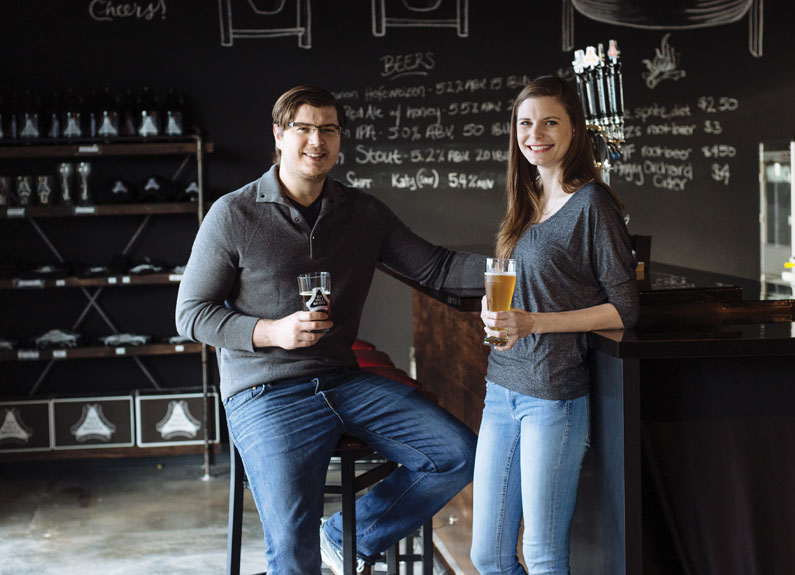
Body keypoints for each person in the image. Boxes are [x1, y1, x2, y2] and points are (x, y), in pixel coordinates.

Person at [175, 85, 484, 575]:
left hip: (342, 378)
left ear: (340, 139)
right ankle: (317, 547)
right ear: (278, 135)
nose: (316, 141)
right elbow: (191, 315)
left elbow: (438, 267)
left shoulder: (363, 213)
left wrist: (519, 266)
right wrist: (272, 332)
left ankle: (344, 537)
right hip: (264, 392)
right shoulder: (232, 214)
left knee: (458, 455)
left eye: (329, 129)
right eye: (303, 128)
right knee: (291, 547)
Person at [470, 75, 639, 574]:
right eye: (525, 123)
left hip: (555, 397)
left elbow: (625, 309)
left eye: (549, 121)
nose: (535, 133)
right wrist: (495, 311)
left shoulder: (594, 204)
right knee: (489, 555)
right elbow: (531, 288)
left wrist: (533, 322)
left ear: (575, 129)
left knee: (543, 554)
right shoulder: (526, 202)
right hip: (501, 389)